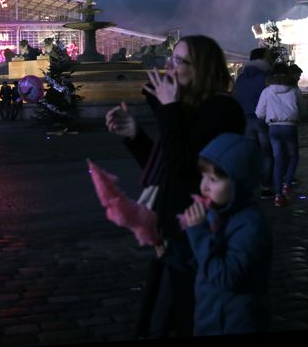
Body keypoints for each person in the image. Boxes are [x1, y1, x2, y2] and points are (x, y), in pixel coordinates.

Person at [105, 35, 246, 339]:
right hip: (175, 231)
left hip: (199, 231)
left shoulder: (221, 109)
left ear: (203, 68)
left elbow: (185, 167)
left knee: (182, 319)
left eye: (181, 61)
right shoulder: (189, 108)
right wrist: (135, 134)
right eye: (173, 58)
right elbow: (167, 168)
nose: (171, 66)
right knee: (163, 319)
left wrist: (168, 109)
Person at [182, 133, 272, 335]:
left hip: (234, 321)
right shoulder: (217, 211)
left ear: (239, 183)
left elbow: (226, 277)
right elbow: (206, 261)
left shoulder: (251, 225)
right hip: (210, 315)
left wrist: (198, 233)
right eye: (203, 176)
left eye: (213, 179)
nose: (203, 186)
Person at [255, 63, 304, 208]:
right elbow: (303, 108)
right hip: (289, 126)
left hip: (273, 128)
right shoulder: (294, 90)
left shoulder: (266, 91)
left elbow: (259, 112)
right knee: (293, 155)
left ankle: (278, 196)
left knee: (278, 159)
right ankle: (287, 183)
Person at [232, 47, 273, 198]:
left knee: (251, 153)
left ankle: (250, 184)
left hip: (246, 119)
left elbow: (236, 97)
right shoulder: (265, 77)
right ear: (262, 58)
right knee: (266, 153)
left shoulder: (241, 78)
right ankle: (266, 187)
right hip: (262, 119)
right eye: (267, 56)